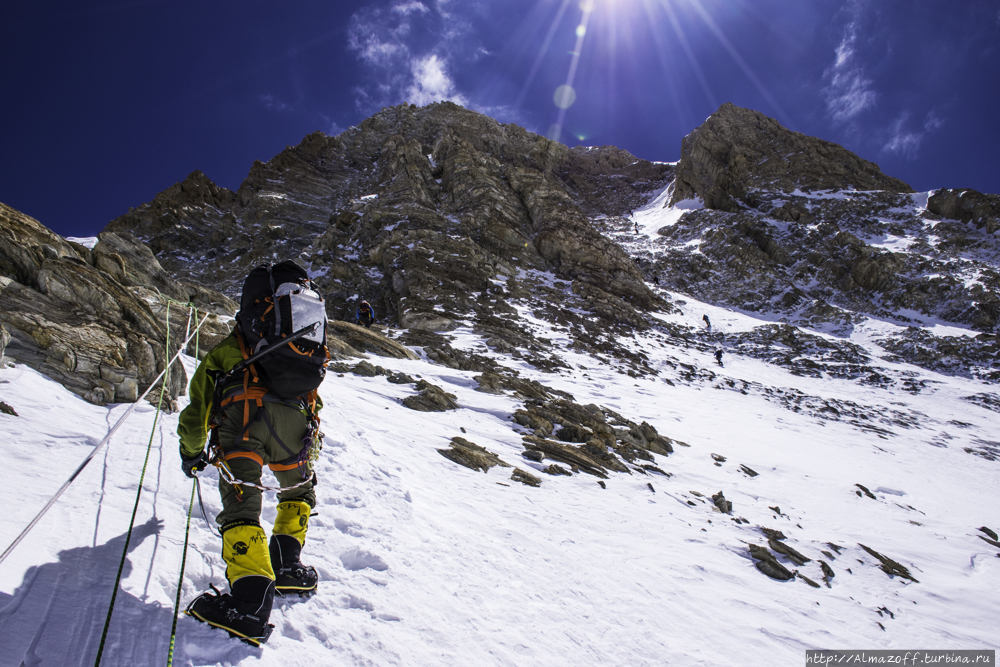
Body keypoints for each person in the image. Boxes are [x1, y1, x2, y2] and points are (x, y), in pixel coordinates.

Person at [178, 261, 325, 645]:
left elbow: (198, 409)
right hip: (296, 423)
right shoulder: (303, 340)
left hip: (244, 423)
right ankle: (288, 566)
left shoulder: (231, 347)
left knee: (243, 503)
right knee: (298, 491)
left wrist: (191, 452)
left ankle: (249, 603)